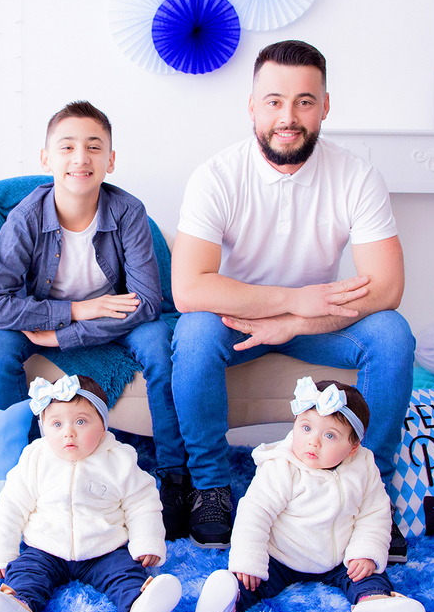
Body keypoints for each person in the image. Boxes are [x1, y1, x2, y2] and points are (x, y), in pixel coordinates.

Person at [170, 40, 415, 554]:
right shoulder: (216, 176)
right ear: (253, 106)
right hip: (237, 323)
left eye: (305, 101)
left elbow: (388, 287)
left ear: (325, 106)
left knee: (392, 334)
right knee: (192, 331)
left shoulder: (357, 175)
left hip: (314, 328)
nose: (289, 116)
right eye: (274, 101)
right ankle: (211, 487)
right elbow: (190, 288)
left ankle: (372, 490)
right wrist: (295, 299)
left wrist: (298, 320)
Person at [0, 100, 191, 537]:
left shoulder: (128, 211)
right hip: (50, 316)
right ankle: (25, 468)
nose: (80, 158)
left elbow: (148, 302)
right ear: (46, 159)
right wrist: (72, 312)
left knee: (158, 344)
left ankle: (174, 475)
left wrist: (65, 336)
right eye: (67, 147)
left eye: (94, 148)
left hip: (116, 319)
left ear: (110, 160)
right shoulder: (24, 221)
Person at [193, 378, 425, 612]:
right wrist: (247, 561)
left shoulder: (363, 466)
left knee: (366, 574)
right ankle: (227, 600)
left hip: (339, 558)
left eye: (329, 435)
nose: (314, 442)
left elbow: (374, 513)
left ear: (352, 448)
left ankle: (374, 603)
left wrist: (365, 551)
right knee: (252, 580)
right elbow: (255, 513)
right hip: (282, 556)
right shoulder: (282, 466)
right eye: (306, 428)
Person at [0, 375, 182, 612]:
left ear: (103, 426)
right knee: (26, 573)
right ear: (44, 428)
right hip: (45, 547)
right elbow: (10, 507)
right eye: (57, 424)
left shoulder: (119, 459)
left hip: (103, 548)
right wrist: (0, 552)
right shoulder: (36, 458)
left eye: (81, 421)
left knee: (124, 573)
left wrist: (147, 544)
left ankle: (140, 605)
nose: (68, 432)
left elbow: (142, 504)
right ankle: (19, 606)